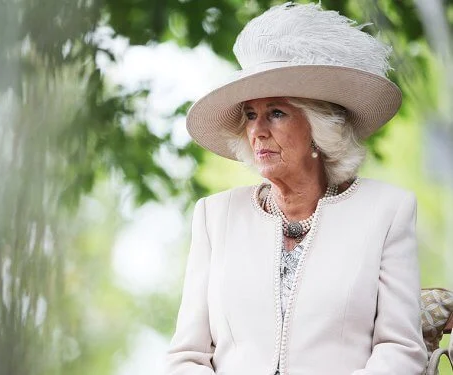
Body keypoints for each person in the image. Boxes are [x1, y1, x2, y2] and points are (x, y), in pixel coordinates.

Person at [166, 2, 427, 375]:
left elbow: (400, 349)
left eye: (276, 112)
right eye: (251, 115)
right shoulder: (214, 216)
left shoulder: (386, 210)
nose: (257, 130)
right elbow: (186, 356)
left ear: (318, 128)